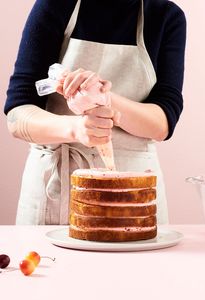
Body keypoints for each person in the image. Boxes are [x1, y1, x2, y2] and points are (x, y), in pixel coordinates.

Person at [4, 0, 186, 225]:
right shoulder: (55, 5)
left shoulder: (165, 16)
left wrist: (104, 98)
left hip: (132, 196)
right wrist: (75, 129)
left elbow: (163, 122)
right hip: (56, 190)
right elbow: (17, 114)